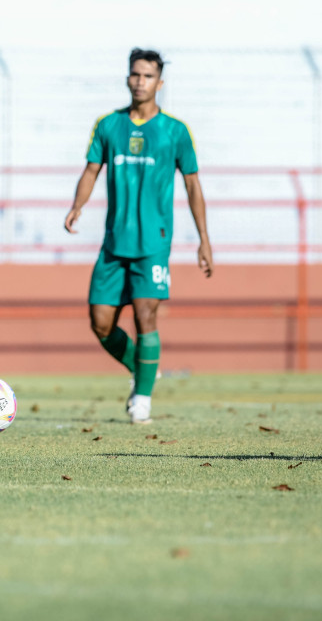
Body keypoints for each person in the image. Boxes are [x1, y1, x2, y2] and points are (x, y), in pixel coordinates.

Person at [63, 48, 212, 424]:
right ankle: (144, 368)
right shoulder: (108, 125)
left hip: (153, 244)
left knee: (146, 316)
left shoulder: (175, 131)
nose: (140, 81)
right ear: (127, 78)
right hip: (114, 243)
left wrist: (203, 239)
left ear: (160, 83)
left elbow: (193, 186)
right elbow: (91, 170)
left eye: (148, 76)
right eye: (135, 74)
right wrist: (77, 205)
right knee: (100, 323)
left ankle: (141, 398)